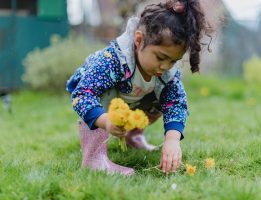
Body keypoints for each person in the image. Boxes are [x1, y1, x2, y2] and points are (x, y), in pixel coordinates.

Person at [66, 0, 210, 176]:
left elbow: (176, 104)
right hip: (97, 96)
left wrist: (172, 140)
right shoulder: (113, 60)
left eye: (173, 60)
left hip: (131, 98)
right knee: (103, 93)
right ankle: (94, 159)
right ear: (139, 40)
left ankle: (133, 135)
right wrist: (106, 121)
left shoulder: (167, 73)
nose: (165, 66)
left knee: (167, 97)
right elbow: (83, 94)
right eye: (160, 57)